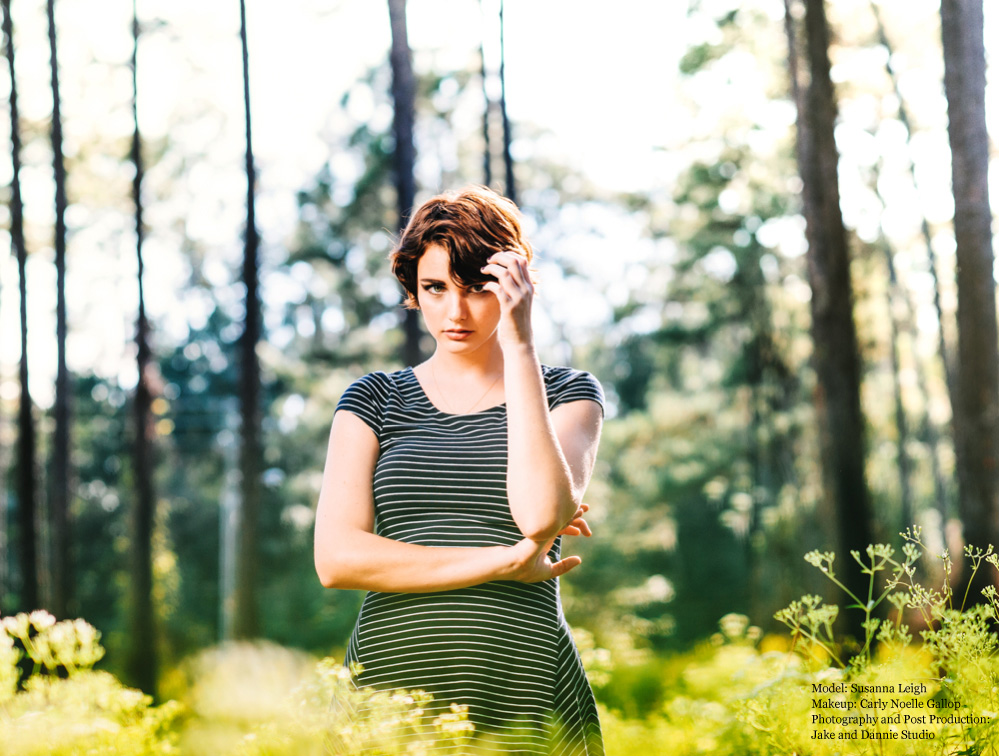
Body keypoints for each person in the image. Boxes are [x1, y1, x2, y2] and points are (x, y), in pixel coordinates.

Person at [314, 185, 605, 755]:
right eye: (435, 288)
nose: (456, 311)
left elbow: (540, 515)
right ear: (413, 290)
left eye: (478, 288)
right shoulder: (372, 400)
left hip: (525, 687)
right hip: (390, 690)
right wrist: (502, 561)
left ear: (514, 286)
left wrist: (520, 343)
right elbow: (336, 558)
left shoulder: (568, 394)